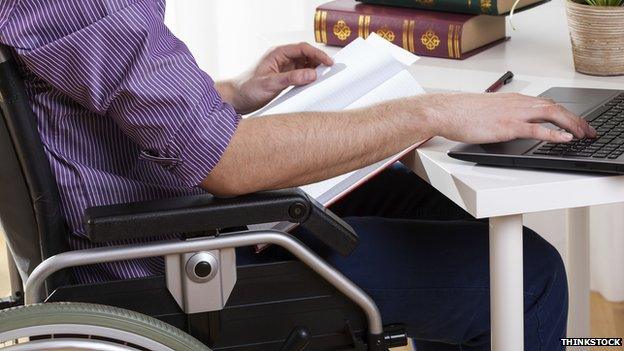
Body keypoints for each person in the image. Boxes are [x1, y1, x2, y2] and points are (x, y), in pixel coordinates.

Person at [0, 1, 593, 350]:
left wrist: (233, 91)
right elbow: (230, 164)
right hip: (174, 266)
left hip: (158, 220)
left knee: (434, 209)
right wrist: (429, 110)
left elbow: (98, 105)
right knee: (524, 273)